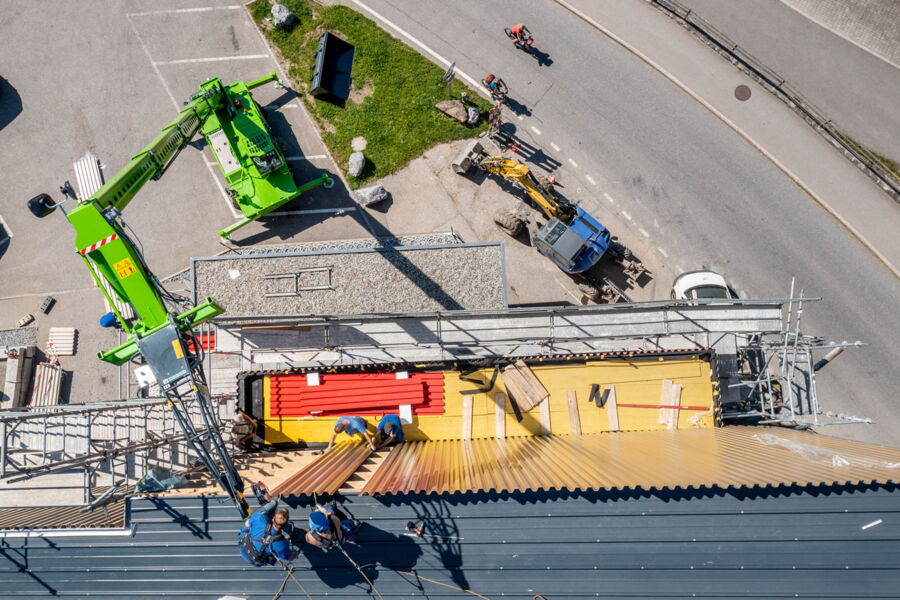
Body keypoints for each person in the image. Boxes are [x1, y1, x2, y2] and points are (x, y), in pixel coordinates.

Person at [237, 501, 301, 567]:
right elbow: (289, 557)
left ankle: (272, 503)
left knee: (253, 521)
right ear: (286, 524)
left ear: (273, 518)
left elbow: (247, 523)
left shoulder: (260, 518)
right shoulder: (281, 545)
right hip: (253, 558)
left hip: (243, 546)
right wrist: (295, 553)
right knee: (276, 550)